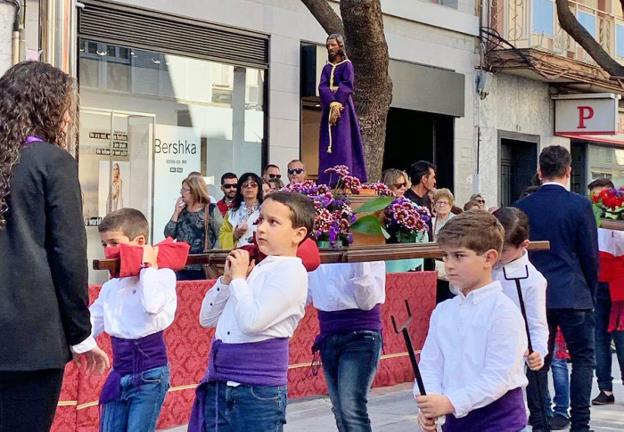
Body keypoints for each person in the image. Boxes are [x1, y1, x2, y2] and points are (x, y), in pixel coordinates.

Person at [0, 61, 109, 432]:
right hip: (29, 339)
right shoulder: (52, 161)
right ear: (46, 106)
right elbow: (68, 257)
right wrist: (80, 334)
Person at [188, 191, 315, 431]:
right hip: (221, 381)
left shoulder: (291, 272)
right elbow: (206, 319)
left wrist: (238, 280)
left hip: (256, 391)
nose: (262, 229)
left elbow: (252, 322)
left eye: (273, 222)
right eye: (260, 220)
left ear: (298, 234)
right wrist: (226, 281)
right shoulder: (258, 267)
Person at [415, 210, 528, 432]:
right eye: (445, 256)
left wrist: (449, 403)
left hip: (501, 424)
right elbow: (430, 364)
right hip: (456, 422)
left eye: (459, 256)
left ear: (489, 258)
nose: (448, 265)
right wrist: (428, 401)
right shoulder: (443, 311)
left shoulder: (503, 311)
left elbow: (497, 377)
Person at [515, 145, 598, 432]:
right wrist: (591, 291)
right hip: (573, 291)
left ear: (539, 172)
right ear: (568, 172)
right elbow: (589, 254)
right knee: (583, 359)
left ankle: (540, 423)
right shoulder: (580, 205)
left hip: (534, 294)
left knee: (538, 360)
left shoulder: (522, 207)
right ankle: (581, 424)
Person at [92, 208, 177, 431]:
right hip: (119, 371)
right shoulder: (111, 287)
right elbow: (92, 321)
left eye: (114, 243)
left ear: (139, 241)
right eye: (104, 245)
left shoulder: (163, 276)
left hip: (150, 374)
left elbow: (152, 305)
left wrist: (148, 264)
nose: (108, 251)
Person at [307, 262, 385, 432]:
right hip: (328, 334)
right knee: (340, 410)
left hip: (362, 333)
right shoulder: (316, 245)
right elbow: (306, 293)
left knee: (351, 408)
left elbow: (368, 302)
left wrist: (359, 260)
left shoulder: (367, 246)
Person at [492, 207, 549, 428]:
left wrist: (539, 352)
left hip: (508, 359)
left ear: (523, 245)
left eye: (503, 250)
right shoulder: (483, 263)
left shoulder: (532, 280)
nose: (495, 254)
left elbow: (537, 325)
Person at [588, 178, 624, 406]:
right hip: (598, 283)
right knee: (599, 339)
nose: (600, 201)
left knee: (621, 338)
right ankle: (605, 388)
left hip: (619, 284)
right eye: (595, 197)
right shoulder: (590, 219)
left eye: (603, 196)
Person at [317, 33, 367, 185]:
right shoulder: (326, 67)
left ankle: (345, 177)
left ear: (340, 46)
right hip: (329, 106)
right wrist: (331, 103)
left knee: (343, 140)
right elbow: (323, 86)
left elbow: (347, 85)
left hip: (344, 107)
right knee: (328, 141)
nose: (330, 48)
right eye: (328, 46)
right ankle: (328, 178)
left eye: (332, 45)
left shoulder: (347, 65)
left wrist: (338, 103)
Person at [164, 176, 223, 280]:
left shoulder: (210, 209)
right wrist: (176, 212)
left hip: (203, 266)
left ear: (194, 191)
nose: (181, 192)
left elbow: (221, 234)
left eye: (184, 189)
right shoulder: (182, 211)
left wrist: (213, 255)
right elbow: (168, 234)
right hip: (181, 265)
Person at [219, 172, 263, 249]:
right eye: (245, 185)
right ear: (240, 190)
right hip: (238, 254)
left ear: (259, 189)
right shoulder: (231, 214)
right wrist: (235, 234)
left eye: (253, 185)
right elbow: (222, 237)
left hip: (260, 254)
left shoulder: (265, 210)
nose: (249, 187)